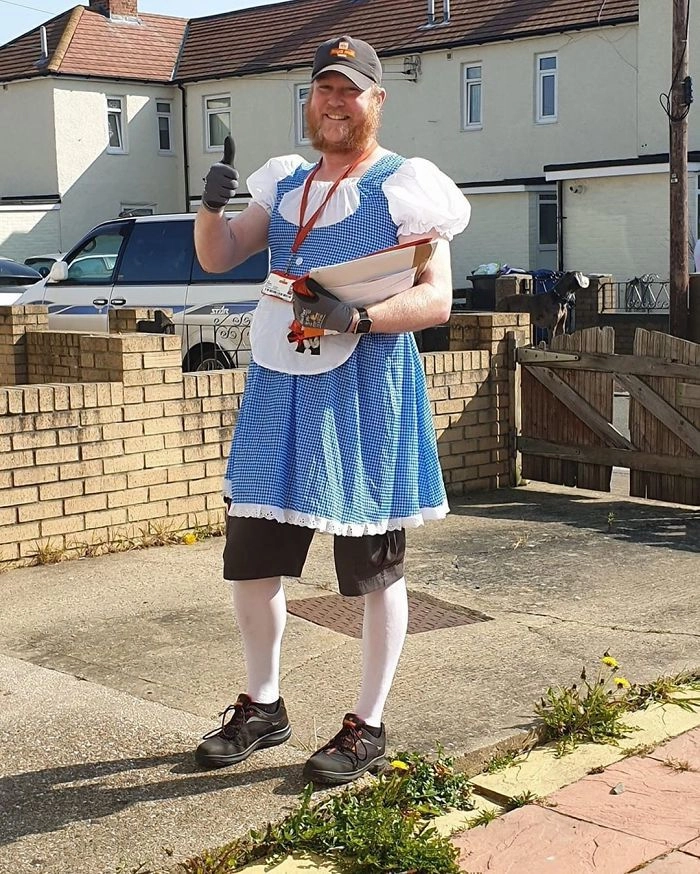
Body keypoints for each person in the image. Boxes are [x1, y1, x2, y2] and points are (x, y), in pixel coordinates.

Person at [193, 34, 470, 786]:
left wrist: (360, 318)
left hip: (365, 392)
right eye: (325, 88)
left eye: (350, 90)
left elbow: (436, 298)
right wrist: (211, 206)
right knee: (251, 560)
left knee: (373, 569)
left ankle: (367, 723)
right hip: (279, 386)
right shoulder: (285, 182)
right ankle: (263, 706)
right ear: (310, 98)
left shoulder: (404, 184)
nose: (335, 102)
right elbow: (219, 254)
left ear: (376, 99)